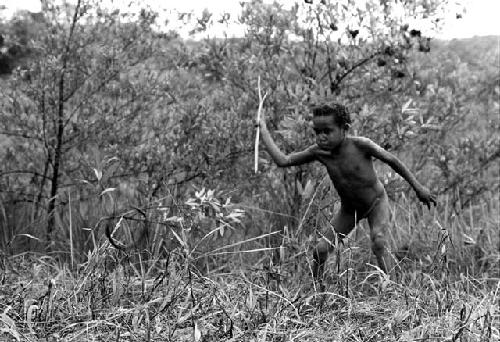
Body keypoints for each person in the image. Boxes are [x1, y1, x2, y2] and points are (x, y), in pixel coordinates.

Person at [257, 103, 436, 278]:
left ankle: (394, 290)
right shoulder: (319, 152)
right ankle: (319, 293)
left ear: (344, 128)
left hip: (376, 202)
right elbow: (284, 160)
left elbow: (392, 161)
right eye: (317, 132)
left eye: (327, 131)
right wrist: (263, 130)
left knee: (379, 241)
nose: (321, 137)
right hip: (349, 210)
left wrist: (419, 188)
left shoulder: (361, 145)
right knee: (320, 250)